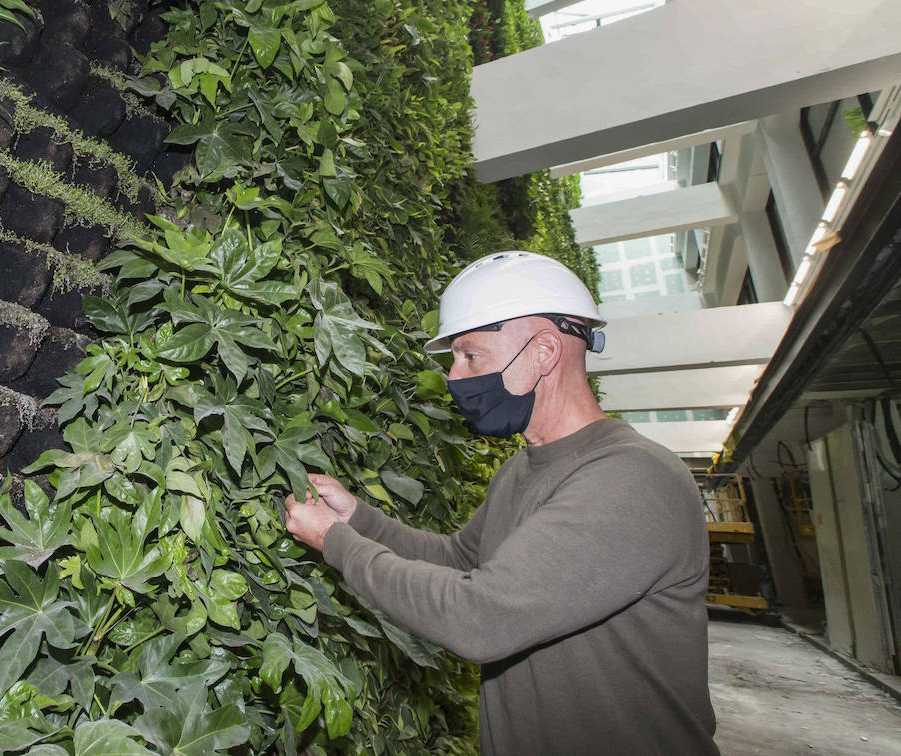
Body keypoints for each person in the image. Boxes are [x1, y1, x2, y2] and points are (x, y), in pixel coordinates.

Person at [283, 251, 718, 755]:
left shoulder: (635, 480)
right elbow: (462, 561)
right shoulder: (523, 468)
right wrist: (356, 518)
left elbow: (478, 616)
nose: (455, 377)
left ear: (544, 353)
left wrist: (335, 543)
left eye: (471, 355)